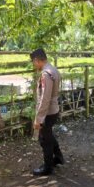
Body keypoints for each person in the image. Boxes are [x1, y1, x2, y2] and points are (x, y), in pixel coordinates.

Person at [30, 48, 64, 176]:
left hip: (48, 112)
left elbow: (45, 99)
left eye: (34, 62)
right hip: (53, 110)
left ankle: (48, 167)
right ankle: (59, 157)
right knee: (48, 134)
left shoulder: (46, 74)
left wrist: (38, 119)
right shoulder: (53, 69)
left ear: (37, 60)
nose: (34, 65)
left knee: (44, 139)